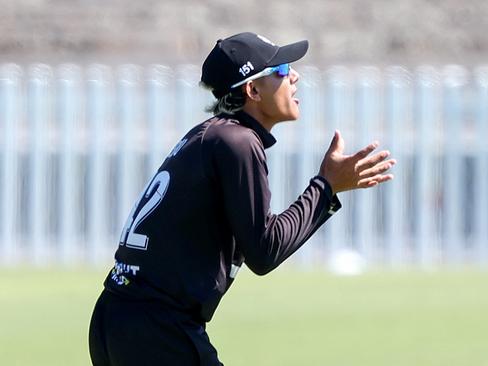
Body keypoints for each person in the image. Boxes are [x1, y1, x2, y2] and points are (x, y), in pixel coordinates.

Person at [88, 31, 396, 366]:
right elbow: (264, 251)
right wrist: (325, 187)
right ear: (252, 90)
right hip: (156, 327)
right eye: (280, 70)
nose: (294, 75)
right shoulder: (238, 143)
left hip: (118, 318)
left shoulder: (214, 135)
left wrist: (327, 190)